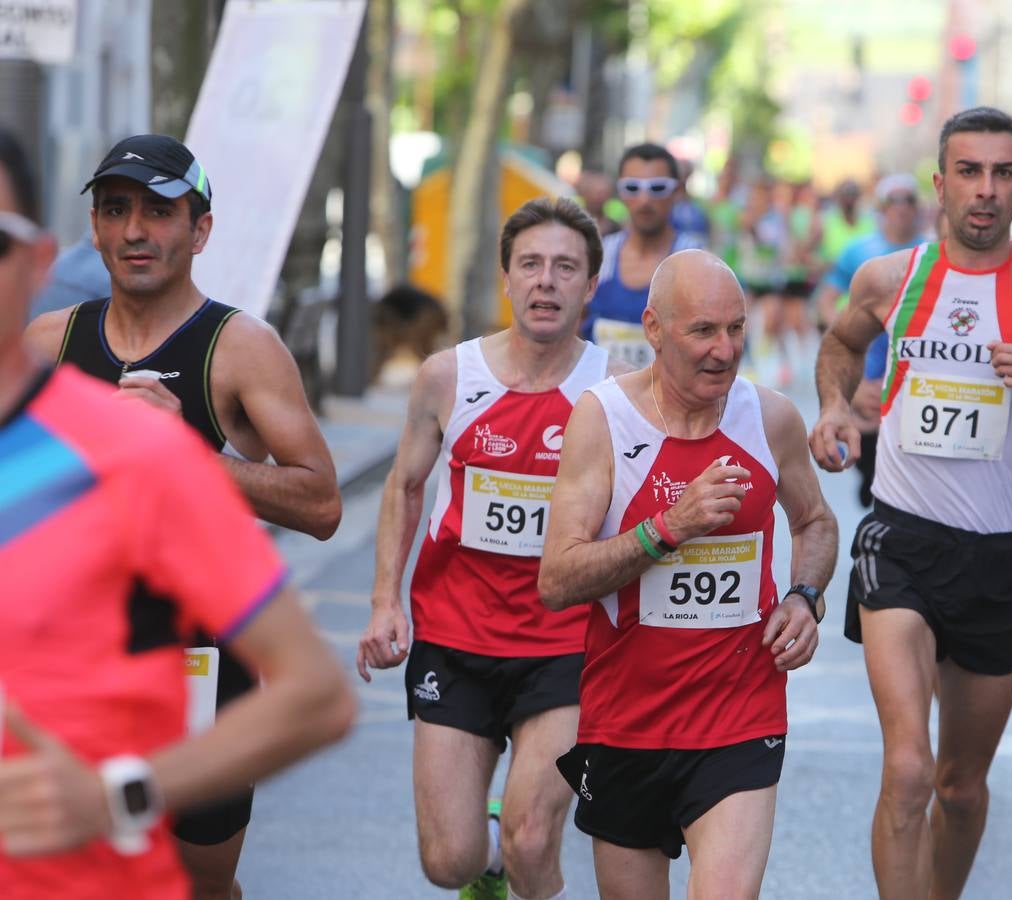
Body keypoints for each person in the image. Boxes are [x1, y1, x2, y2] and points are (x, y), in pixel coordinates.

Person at [0, 130, 353, 900]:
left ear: (199, 231)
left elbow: (323, 502)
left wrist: (189, 451)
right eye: (116, 209)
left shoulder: (241, 348)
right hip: (66, 662)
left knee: (197, 881)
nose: (134, 231)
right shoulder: (48, 344)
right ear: (91, 228)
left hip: (203, 658)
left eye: (158, 212)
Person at [811, 106, 1012, 899]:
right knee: (908, 768)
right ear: (940, 183)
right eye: (970, 173)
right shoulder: (891, 278)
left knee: (958, 786)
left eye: (1003, 173)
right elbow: (841, 345)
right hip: (901, 543)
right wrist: (835, 408)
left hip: (999, 560)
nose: (985, 191)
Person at [538, 249, 838, 898]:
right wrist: (666, 528)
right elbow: (558, 578)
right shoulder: (604, 420)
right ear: (653, 329)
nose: (725, 351)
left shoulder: (771, 418)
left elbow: (815, 523)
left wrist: (805, 597)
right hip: (626, 721)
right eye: (703, 331)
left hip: (740, 715)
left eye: (736, 329)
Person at [356, 197, 627, 900]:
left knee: (532, 835)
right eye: (531, 264)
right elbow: (405, 485)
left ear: (590, 286)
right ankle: (492, 869)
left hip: (570, 644)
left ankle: (519, 856)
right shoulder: (449, 377)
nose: (546, 281)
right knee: (450, 862)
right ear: (506, 277)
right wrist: (386, 600)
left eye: (566, 268)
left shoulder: (618, 392)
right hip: (456, 636)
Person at [815, 174, 926, 507]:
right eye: (894, 200)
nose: (902, 208)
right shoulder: (859, 252)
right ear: (881, 208)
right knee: (871, 462)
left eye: (909, 200)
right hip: (868, 371)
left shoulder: (932, 252)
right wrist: (841, 342)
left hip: (912, 379)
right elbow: (826, 299)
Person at [582, 143, 704, 369]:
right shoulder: (598, 254)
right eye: (632, 187)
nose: (644, 199)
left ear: (677, 192)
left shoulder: (695, 260)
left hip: (665, 402)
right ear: (619, 192)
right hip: (599, 399)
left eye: (657, 188)